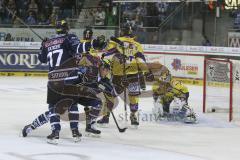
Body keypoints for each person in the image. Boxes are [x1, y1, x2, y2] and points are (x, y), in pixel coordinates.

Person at [25, 19, 106, 144]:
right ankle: (75, 132)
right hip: (69, 78)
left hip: (54, 80)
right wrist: (94, 43)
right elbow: (79, 47)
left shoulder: (48, 43)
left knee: (53, 108)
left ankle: (55, 133)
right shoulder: (69, 38)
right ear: (67, 29)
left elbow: (41, 59)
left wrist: (43, 45)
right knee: (72, 104)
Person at [98, 23, 154, 127]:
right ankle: (133, 118)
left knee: (110, 95)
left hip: (119, 76)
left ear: (121, 31)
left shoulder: (114, 42)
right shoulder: (137, 45)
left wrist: (104, 62)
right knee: (133, 97)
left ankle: (105, 118)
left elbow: (108, 56)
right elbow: (140, 60)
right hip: (133, 76)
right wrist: (146, 72)